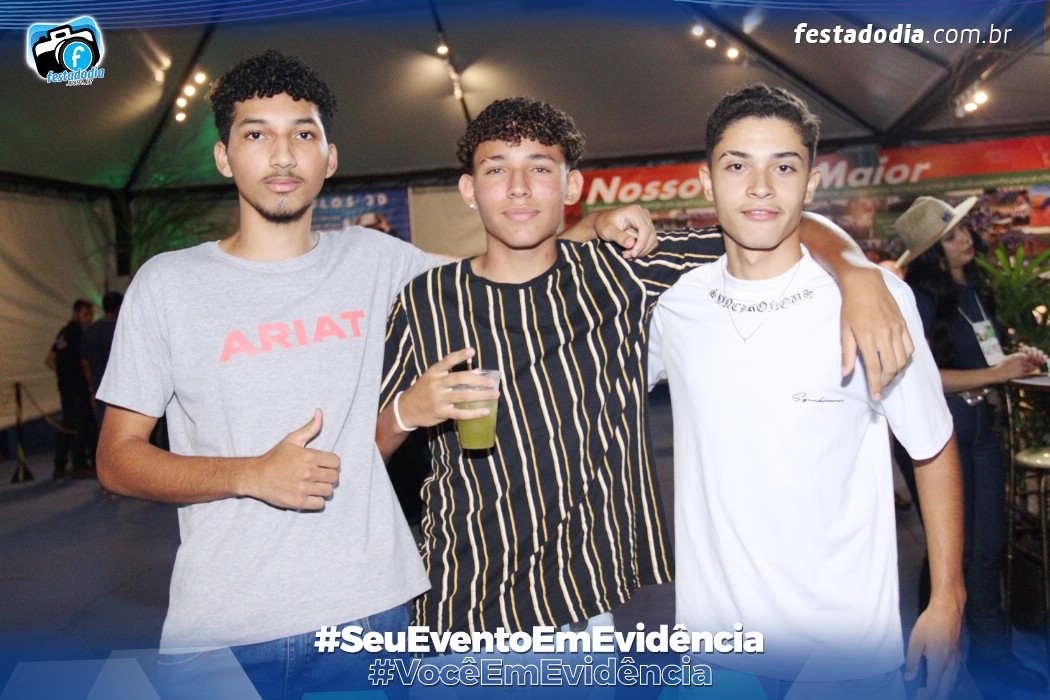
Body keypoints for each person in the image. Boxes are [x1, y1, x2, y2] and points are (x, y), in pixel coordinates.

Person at [376, 96, 916, 638]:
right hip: (463, 606)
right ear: (469, 189)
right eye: (496, 170)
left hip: (582, 608)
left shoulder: (621, 274)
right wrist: (406, 412)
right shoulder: (425, 300)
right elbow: (367, 456)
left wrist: (854, 269)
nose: (518, 188)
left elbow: (767, 226)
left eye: (539, 168)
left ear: (571, 186)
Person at [95, 51, 439, 699]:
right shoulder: (168, 285)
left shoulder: (377, 261)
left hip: (367, 613)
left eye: (302, 134)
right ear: (224, 157)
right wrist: (250, 473)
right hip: (221, 626)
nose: (282, 156)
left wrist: (588, 229)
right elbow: (116, 460)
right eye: (256, 134)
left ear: (329, 157)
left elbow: (499, 279)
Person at [647, 85, 966, 699]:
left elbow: (931, 444)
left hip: (845, 649)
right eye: (737, 166)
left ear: (811, 184)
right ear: (706, 181)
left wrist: (948, 597)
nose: (760, 187)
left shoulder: (876, 301)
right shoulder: (675, 306)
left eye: (784, 167)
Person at [893, 196, 1048, 693]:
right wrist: (994, 374)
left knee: (988, 548)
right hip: (943, 432)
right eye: (952, 236)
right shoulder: (919, 299)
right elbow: (921, 378)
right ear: (931, 252)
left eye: (964, 230)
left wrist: (1014, 363)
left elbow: (985, 354)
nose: (966, 240)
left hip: (982, 425)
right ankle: (928, 655)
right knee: (951, 551)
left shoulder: (975, 290)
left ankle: (991, 657)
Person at [45, 298, 95, 479]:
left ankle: (60, 465)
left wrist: (63, 374)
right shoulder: (80, 334)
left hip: (65, 388)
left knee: (67, 424)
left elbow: (49, 360)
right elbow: (84, 362)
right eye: (86, 314)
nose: (89, 319)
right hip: (78, 387)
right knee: (81, 424)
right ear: (76, 313)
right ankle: (80, 465)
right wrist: (87, 383)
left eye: (91, 315)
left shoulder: (63, 333)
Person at [82, 291, 123, 441]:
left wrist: (91, 387)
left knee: (104, 433)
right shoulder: (121, 329)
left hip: (98, 388)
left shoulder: (89, 331)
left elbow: (84, 363)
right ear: (119, 307)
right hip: (120, 389)